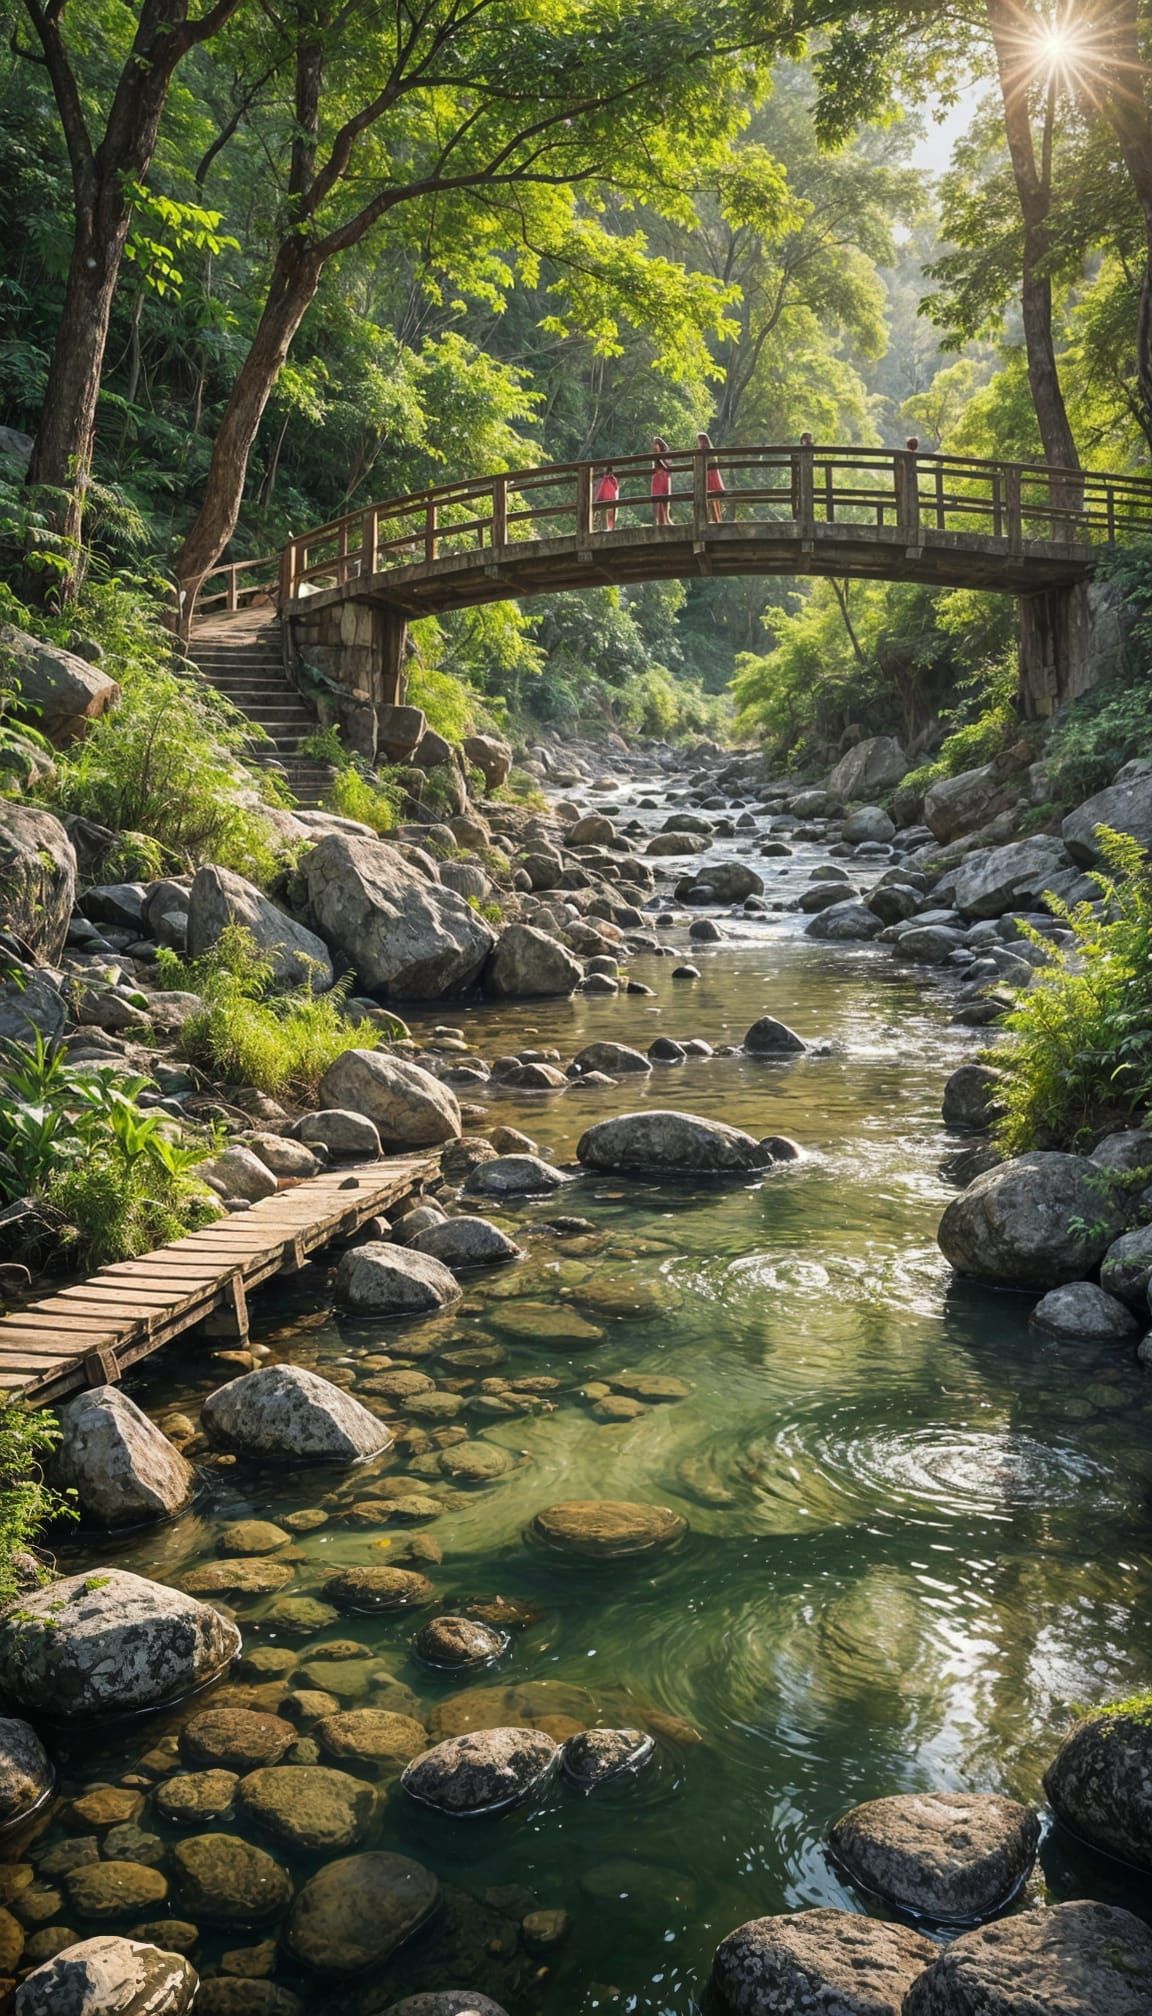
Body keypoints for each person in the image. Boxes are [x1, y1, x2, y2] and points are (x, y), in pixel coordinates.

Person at [697, 432, 725, 523]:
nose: (700, 443)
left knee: (713, 499)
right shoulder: (701, 451)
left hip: (711, 477)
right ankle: (710, 520)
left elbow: (711, 465)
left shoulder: (709, 452)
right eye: (699, 441)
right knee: (708, 500)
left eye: (701, 440)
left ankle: (717, 520)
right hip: (706, 477)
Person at [651, 437, 672, 526]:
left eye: (656, 444)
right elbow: (654, 468)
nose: (654, 446)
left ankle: (667, 519)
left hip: (664, 477)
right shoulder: (654, 455)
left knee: (665, 499)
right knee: (655, 499)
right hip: (656, 478)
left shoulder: (666, 455)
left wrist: (659, 457)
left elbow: (667, 466)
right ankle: (656, 521)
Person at [593, 463, 619, 531]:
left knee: (603, 514)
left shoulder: (603, 480)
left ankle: (605, 528)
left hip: (603, 499)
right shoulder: (613, 478)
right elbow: (616, 488)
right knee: (612, 515)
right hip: (612, 499)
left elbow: (600, 490)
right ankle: (612, 528)